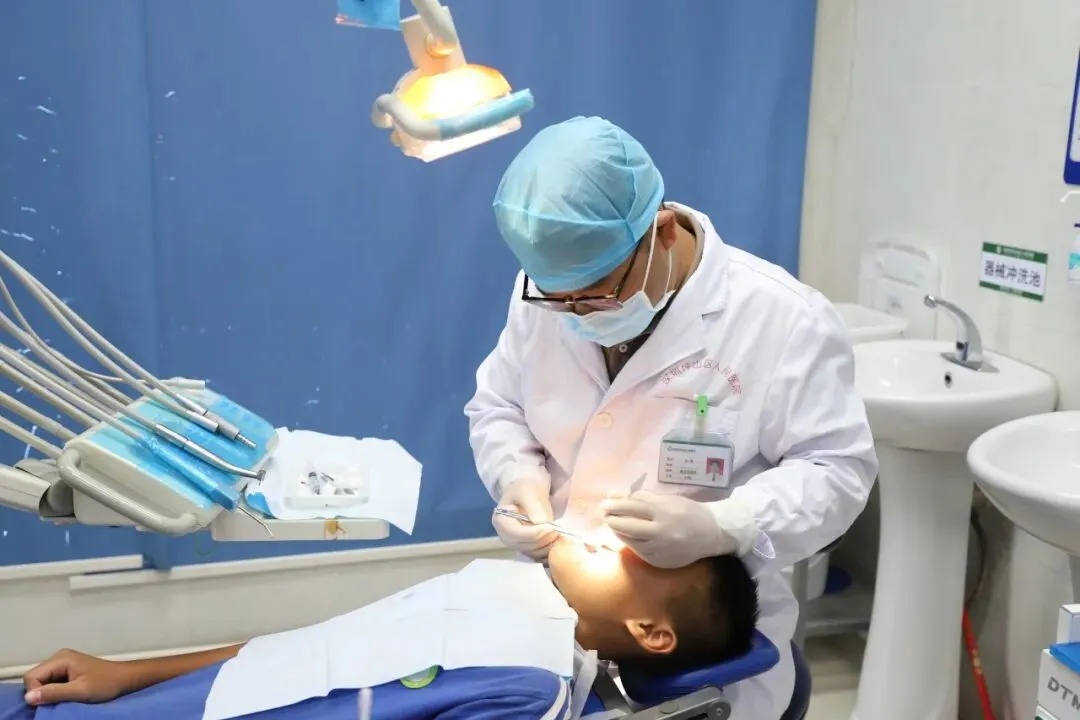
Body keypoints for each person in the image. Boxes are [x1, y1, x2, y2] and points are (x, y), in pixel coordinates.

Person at [465, 116, 878, 718]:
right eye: (559, 299)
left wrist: (726, 524)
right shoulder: (550, 288)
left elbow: (838, 471)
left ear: (660, 232)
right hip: (557, 618)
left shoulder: (784, 320)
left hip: (703, 653)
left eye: (598, 293)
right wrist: (517, 477)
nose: (577, 313)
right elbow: (499, 404)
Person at [16, 539, 758, 717]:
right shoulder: (500, 583)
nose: (609, 537)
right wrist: (129, 674)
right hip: (185, 697)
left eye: (634, 554)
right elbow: (313, 649)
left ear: (651, 632)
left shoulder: (534, 687)